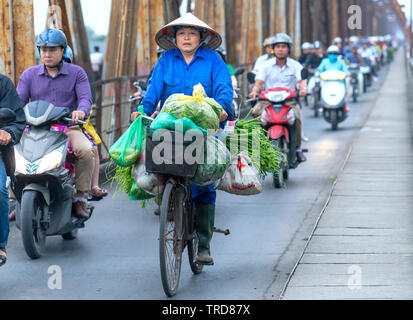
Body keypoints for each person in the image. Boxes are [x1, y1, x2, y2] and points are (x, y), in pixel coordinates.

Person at [130, 13, 233, 266]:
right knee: (157, 171)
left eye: (192, 33)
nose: (186, 37)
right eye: (182, 33)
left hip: (202, 129)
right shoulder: (166, 60)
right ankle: (169, 202)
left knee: (204, 183)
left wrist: (221, 107)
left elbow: (223, 89)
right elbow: (153, 91)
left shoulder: (213, 60)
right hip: (170, 128)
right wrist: (142, 110)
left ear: (201, 38)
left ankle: (205, 244)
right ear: (174, 38)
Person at [17, 28, 94, 219]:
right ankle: (15, 198)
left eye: (52, 49)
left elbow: (85, 98)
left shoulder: (77, 73)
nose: (47, 54)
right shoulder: (29, 74)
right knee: (13, 152)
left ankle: (80, 196)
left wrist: (80, 111)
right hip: (35, 128)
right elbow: (18, 101)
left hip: (67, 127)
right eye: (43, 49)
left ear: (62, 50)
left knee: (86, 150)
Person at [249, 33, 308, 163]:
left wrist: (303, 89)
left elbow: (301, 80)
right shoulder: (266, 65)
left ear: (288, 49)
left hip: (289, 101)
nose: (280, 49)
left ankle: (297, 149)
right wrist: (254, 91)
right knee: (255, 114)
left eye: (283, 46)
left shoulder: (295, 65)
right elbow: (258, 82)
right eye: (277, 47)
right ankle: (258, 147)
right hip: (267, 102)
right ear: (273, 49)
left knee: (297, 118)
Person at [0, 74, 26, 267]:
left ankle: (0, 244)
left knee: (0, 191)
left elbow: (16, 120)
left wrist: (8, 133)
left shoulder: (3, 83)